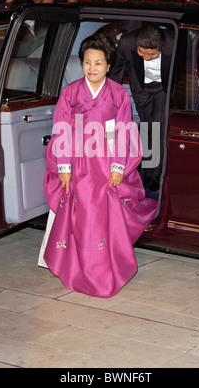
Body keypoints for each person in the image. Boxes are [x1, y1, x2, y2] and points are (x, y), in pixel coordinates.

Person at [38, 33, 157, 298]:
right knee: (81, 217)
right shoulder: (70, 92)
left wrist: (118, 167)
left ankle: (104, 271)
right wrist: (64, 168)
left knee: (104, 217)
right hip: (79, 164)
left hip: (105, 164)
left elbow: (125, 130)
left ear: (108, 66)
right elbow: (62, 131)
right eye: (88, 63)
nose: (92, 68)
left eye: (99, 63)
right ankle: (80, 270)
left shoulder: (117, 93)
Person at [109, 23, 173, 191]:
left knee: (158, 128)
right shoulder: (127, 42)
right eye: (141, 53)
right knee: (146, 127)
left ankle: (153, 175)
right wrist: (110, 98)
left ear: (161, 47)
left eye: (151, 54)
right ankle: (144, 166)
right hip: (141, 87)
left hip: (164, 89)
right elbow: (116, 69)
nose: (146, 57)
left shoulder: (174, 41)